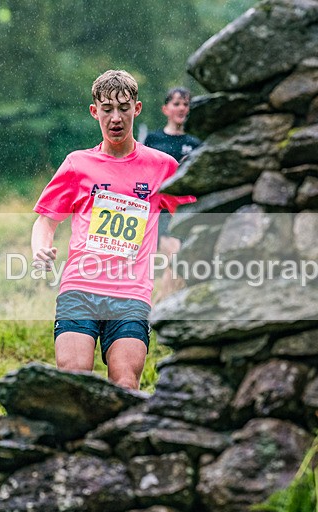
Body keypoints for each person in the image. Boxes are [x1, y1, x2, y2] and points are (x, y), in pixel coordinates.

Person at [31, 70, 194, 390]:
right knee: (75, 381)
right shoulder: (78, 164)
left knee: (125, 383)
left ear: (137, 108)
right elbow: (46, 219)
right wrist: (41, 246)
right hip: (80, 288)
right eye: (107, 109)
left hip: (131, 294)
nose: (115, 117)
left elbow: (196, 214)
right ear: (95, 112)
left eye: (123, 108)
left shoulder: (162, 166)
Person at [143, 87, 201, 302]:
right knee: (175, 258)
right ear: (165, 109)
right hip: (161, 210)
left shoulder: (196, 144)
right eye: (177, 103)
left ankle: (161, 307)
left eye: (186, 104)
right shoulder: (153, 139)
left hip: (187, 210)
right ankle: (160, 309)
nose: (182, 108)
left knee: (178, 263)